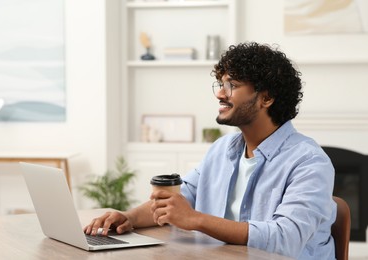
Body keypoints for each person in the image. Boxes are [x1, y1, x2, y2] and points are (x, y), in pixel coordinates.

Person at [84, 42, 336, 259]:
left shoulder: (309, 162)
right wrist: (128, 217)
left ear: (266, 98)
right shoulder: (222, 150)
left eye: (232, 85)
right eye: (220, 84)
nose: (219, 94)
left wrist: (195, 219)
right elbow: (182, 197)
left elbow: (285, 240)